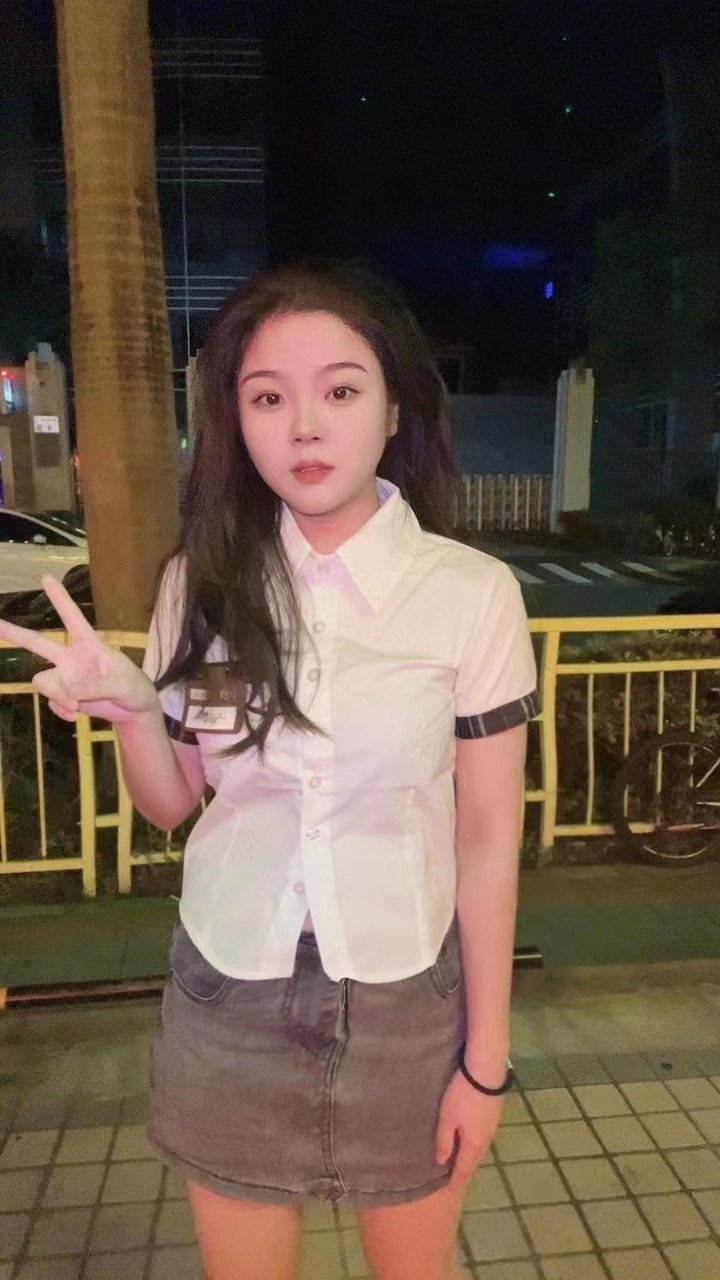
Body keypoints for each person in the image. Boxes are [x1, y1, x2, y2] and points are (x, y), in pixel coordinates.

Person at [0, 257, 539, 1280]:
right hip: (228, 995)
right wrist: (132, 709)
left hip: (405, 1003)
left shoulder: (469, 595)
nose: (305, 427)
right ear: (235, 421)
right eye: (267, 397)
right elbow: (173, 802)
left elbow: (486, 839)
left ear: (392, 410)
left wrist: (484, 1062)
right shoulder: (200, 584)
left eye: (340, 390)